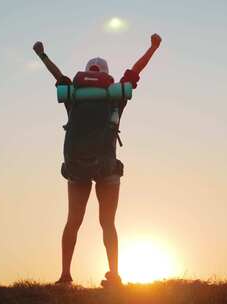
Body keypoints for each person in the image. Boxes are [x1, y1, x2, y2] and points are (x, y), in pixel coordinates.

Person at [32, 33, 162, 287]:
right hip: (107, 166)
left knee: (73, 221)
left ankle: (65, 277)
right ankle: (114, 275)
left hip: (77, 165)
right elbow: (136, 71)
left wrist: (41, 54)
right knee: (108, 223)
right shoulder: (115, 95)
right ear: (106, 75)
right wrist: (153, 48)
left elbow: (56, 75)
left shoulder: (73, 94)